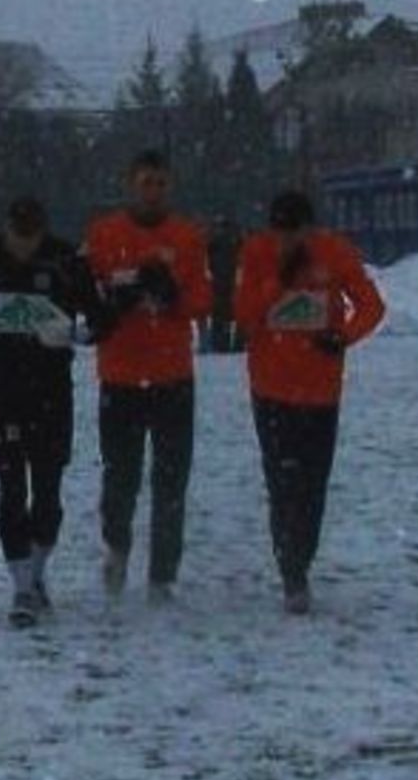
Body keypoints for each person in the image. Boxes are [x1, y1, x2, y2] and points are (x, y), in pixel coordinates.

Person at [232, 190, 386, 615]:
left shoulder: (334, 253)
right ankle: (291, 569)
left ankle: (302, 556)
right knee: (282, 482)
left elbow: (372, 306)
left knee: (312, 484)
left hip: (320, 390)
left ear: (309, 229)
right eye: (280, 234)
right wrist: (277, 280)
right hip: (271, 388)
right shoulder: (258, 252)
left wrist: (342, 336)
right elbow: (243, 314)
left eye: (294, 235)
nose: (287, 243)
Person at [0, 195, 94, 627]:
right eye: (17, 238)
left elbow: (100, 318)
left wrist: (72, 333)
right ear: (7, 230)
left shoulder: (64, 259)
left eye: (32, 239)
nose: (24, 248)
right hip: (0, 389)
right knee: (11, 487)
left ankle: (38, 569)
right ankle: (22, 587)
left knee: (47, 491)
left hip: (50, 389)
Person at [82, 149, 212, 603]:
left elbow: (202, 300)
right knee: (121, 476)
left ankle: (162, 574)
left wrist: (172, 296)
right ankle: (117, 546)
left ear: (169, 186)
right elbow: (87, 291)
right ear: (130, 184)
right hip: (120, 374)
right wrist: (113, 302)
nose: (152, 191)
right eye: (145, 183)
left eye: (160, 183)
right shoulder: (105, 234)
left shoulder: (188, 237)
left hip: (172, 374)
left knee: (171, 479)